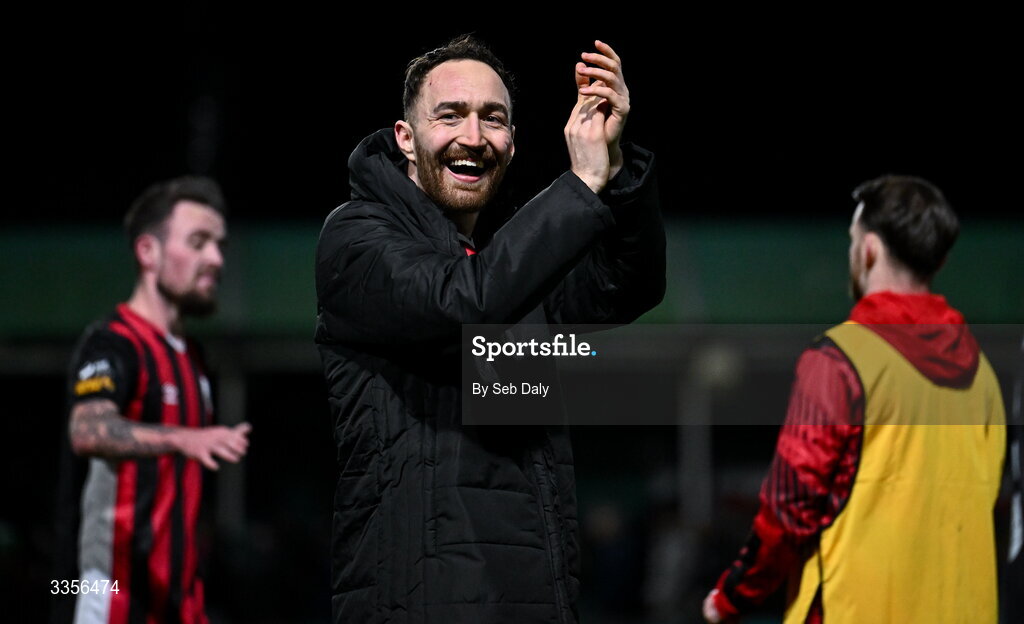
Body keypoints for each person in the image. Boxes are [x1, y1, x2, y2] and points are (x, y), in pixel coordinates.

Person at [314, 35, 664, 623]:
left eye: (493, 119)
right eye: (450, 115)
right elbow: (463, 306)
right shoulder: (356, 239)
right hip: (423, 603)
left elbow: (625, 286)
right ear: (406, 137)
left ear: (512, 142)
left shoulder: (503, 272)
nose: (473, 137)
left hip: (533, 596)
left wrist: (617, 165)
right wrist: (577, 187)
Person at [702, 175, 1006, 623]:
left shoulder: (840, 360)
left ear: (868, 250)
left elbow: (789, 509)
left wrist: (732, 596)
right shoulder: (983, 375)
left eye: (852, 240)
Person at [54, 176, 252, 624]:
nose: (216, 260)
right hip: (107, 597)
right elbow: (87, 430)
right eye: (198, 242)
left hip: (182, 604)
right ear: (148, 252)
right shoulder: (113, 344)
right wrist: (184, 439)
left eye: (219, 245)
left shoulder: (193, 359)